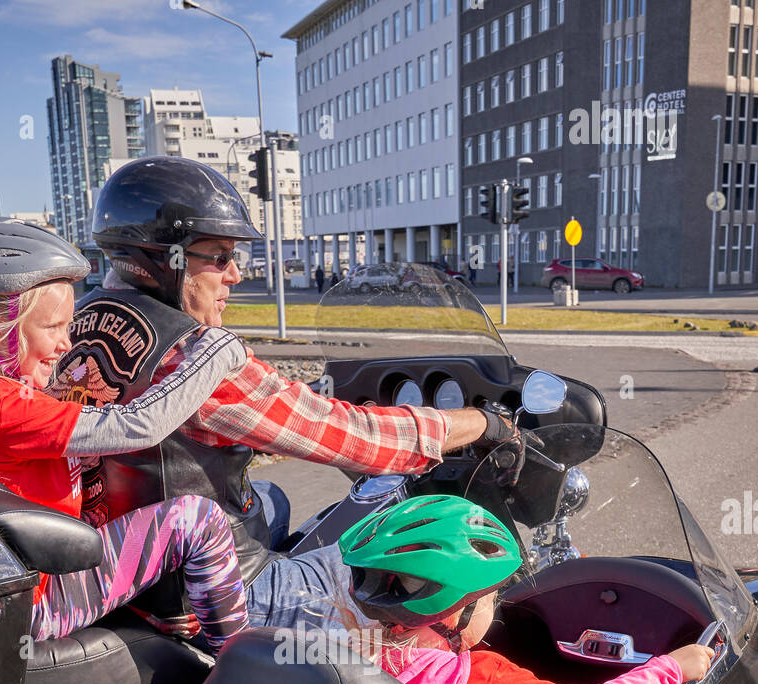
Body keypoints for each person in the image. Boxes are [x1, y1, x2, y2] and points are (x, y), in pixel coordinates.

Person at [53, 156, 522, 639]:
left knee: (271, 498)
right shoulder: (194, 355)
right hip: (208, 595)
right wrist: (484, 423)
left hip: (117, 566)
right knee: (420, 586)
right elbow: (359, 440)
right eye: (218, 257)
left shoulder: (75, 325)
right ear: (160, 258)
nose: (234, 274)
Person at [0, 218, 250, 652]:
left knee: (267, 494)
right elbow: (138, 426)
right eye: (52, 327)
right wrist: (216, 352)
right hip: (40, 602)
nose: (66, 344)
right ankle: (237, 659)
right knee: (198, 519)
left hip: (15, 584)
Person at [338, 495, 716, 684]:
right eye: (490, 599)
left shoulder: (348, 661)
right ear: (455, 613)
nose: (496, 606)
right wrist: (668, 669)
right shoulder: (480, 682)